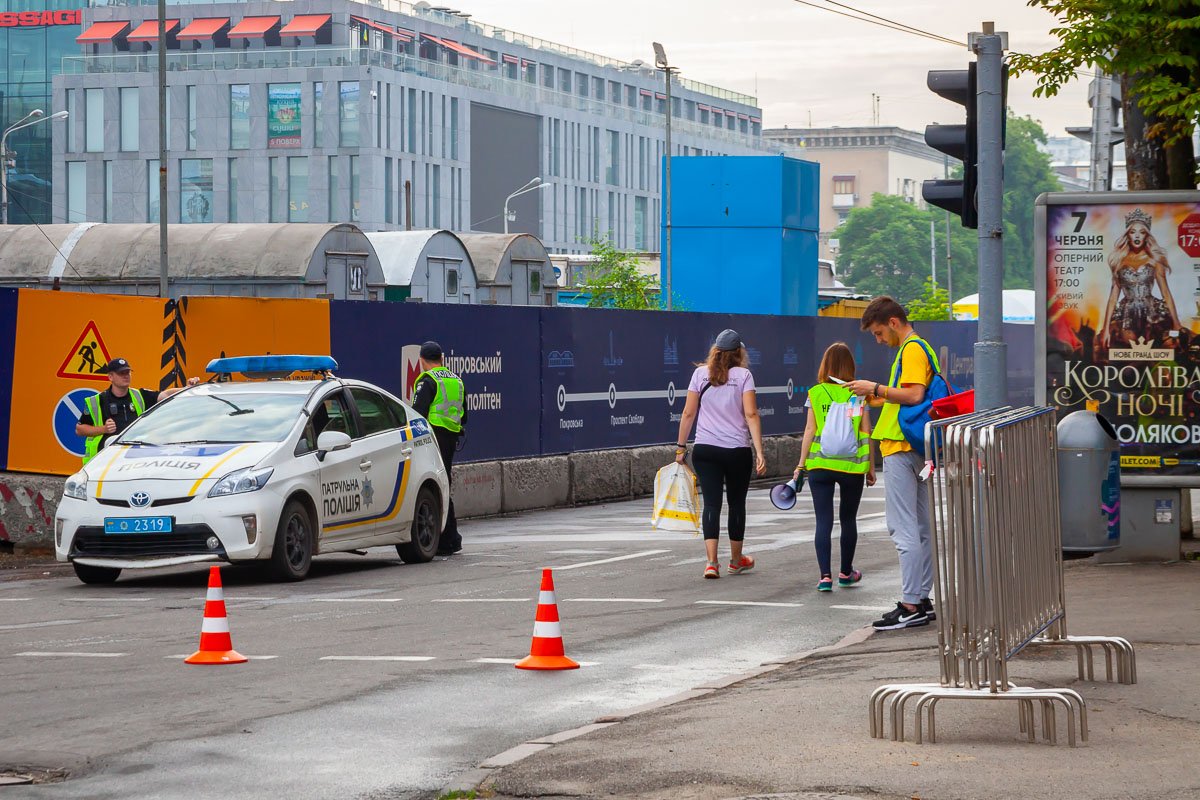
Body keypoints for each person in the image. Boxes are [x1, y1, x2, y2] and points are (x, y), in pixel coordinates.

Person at [845, 297, 936, 631]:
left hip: (899, 445)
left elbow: (913, 395)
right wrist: (876, 396)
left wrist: (875, 387)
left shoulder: (911, 348)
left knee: (903, 526)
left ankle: (911, 603)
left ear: (894, 322)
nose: (879, 340)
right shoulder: (920, 347)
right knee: (923, 527)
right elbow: (914, 395)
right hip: (916, 445)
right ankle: (922, 599)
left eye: (880, 333)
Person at [674, 329, 766, 580]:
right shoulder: (744, 375)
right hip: (737, 450)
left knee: (712, 503)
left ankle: (711, 562)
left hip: (705, 450)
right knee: (737, 504)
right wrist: (759, 450)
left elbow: (688, 413)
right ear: (739, 352)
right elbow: (751, 415)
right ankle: (736, 561)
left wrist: (680, 447)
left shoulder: (699, 374)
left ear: (715, 350)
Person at [795, 342, 875, 592]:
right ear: (850, 366)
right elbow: (866, 431)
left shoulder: (816, 393)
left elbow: (810, 430)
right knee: (848, 519)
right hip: (852, 466)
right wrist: (871, 467)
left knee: (823, 521)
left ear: (825, 365)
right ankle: (846, 573)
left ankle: (825, 577)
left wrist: (801, 465)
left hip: (820, 464)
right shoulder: (857, 393)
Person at [75, 357, 200, 465]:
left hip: (133, 458)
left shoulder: (139, 395)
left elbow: (165, 394)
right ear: (110, 377)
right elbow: (80, 429)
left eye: (128, 372)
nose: (126, 375)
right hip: (105, 459)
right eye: (121, 373)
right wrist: (104, 429)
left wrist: (186, 388)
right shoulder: (98, 401)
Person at [1097, 208, 1184, 354]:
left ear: (1146, 236)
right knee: (1128, 351)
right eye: (1133, 232)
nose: (1137, 236)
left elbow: (1166, 294)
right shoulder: (1119, 260)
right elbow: (1113, 298)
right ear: (1128, 235)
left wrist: (1176, 323)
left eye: (1142, 232)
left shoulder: (1154, 260)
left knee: (1156, 350)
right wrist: (1105, 329)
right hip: (1127, 314)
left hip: (1152, 313)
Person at [411, 341, 467, 556]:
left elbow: (417, 413)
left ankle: (448, 538)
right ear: (441, 359)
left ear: (422, 360)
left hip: (432, 439)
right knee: (444, 483)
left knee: (436, 486)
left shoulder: (428, 380)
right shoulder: (457, 380)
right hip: (451, 438)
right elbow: (465, 414)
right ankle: (450, 538)